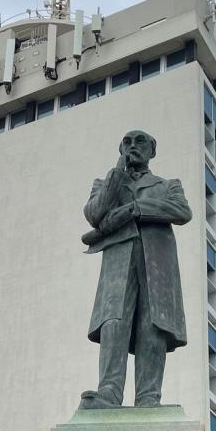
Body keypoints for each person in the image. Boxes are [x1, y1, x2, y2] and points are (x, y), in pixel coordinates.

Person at [79, 130, 192, 409]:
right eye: (126, 142)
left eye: (140, 141)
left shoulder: (167, 185)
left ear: (152, 151)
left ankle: (148, 397)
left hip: (157, 263)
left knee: (153, 324)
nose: (133, 146)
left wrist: (136, 208)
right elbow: (95, 214)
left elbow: (181, 211)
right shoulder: (106, 183)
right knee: (114, 322)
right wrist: (117, 173)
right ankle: (108, 392)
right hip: (119, 259)